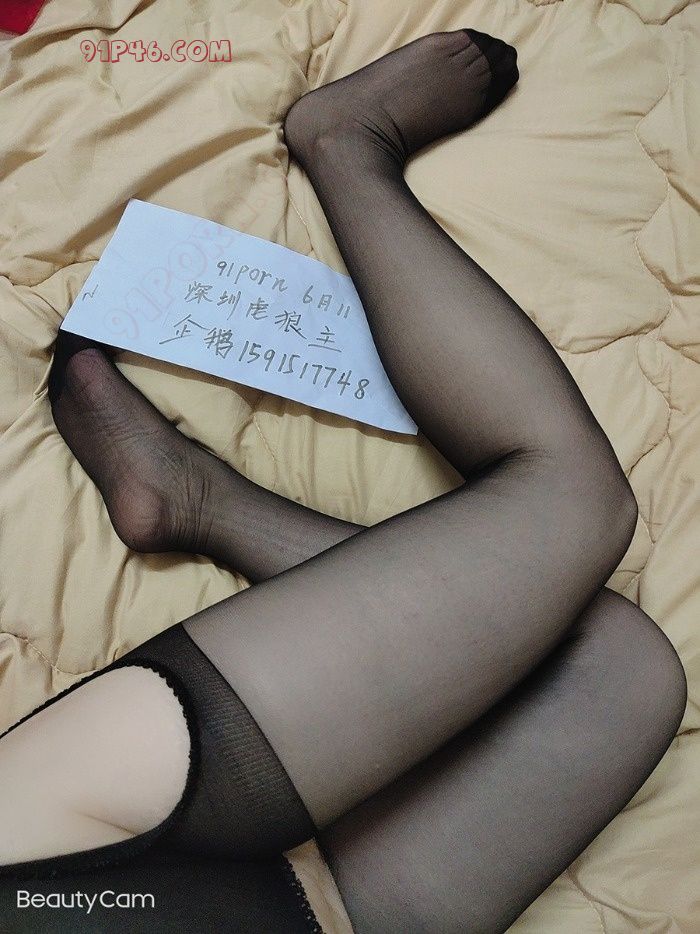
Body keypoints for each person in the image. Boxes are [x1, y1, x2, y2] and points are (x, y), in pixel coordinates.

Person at [0, 29, 686, 934]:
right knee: (615, 664)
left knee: (576, 507)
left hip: (58, 873)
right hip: (314, 920)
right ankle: (199, 498)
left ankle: (343, 150)